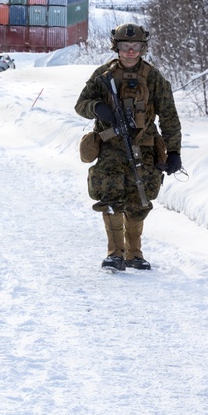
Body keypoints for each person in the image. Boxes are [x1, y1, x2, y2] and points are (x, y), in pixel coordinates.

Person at [74, 23, 182, 271]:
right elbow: (81, 104)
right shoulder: (103, 75)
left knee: (139, 200)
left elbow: (169, 116)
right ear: (117, 47)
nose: (130, 52)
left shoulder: (154, 78)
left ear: (143, 48)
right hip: (111, 146)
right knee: (111, 197)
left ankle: (135, 254)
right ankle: (115, 253)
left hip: (143, 147)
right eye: (125, 46)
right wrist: (97, 108)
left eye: (135, 47)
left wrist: (174, 151)